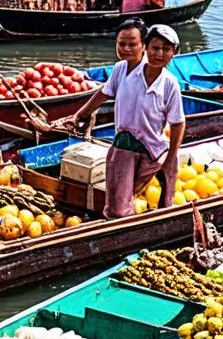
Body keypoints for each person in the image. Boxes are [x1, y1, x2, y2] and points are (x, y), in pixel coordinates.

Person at [64, 23, 185, 218]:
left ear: (174, 52)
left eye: (166, 50)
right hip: (125, 145)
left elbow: (178, 123)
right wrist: (80, 115)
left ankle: (162, 214)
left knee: (166, 187)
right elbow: (103, 94)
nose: (159, 54)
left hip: (154, 147)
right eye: (155, 48)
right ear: (146, 47)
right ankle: (119, 224)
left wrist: (171, 158)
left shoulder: (170, 84)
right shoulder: (122, 69)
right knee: (118, 207)